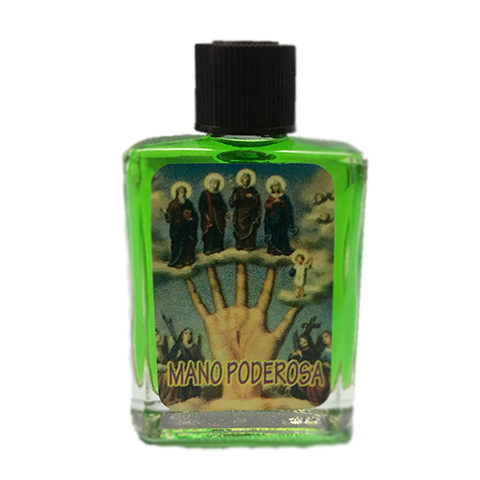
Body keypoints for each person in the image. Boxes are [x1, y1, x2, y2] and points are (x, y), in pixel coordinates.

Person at [163, 183, 198, 268]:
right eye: (181, 192)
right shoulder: (173, 204)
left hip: (187, 228)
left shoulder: (188, 203)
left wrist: (191, 219)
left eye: (184, 192)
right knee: (177, 245)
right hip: (177, 228)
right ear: (177, 193)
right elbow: (169, 218)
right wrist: (166, 215)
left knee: (188, 243)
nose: (183, 194)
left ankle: (187, 260)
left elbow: (195, 215)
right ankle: (177, 262)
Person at [168, 328, 204, 403]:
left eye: (190, 334)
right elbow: (170, 359)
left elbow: (200, 359)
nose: (188, 335)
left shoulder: (194, 347)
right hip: (180, 372)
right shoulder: (178, 346)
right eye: (186, 333)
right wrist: (178, 355)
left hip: (192, 371)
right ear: (182, 335)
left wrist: (197, 363)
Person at [229, 170, 262, 251]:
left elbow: (258, 202)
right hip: (240, 214)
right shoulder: (237, 190)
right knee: (239, 229)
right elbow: (232, 204)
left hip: (251, 214)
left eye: (247, 178)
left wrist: (253, 197)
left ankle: (250, 246)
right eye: (244, 178)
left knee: (251, 229)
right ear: (241, 179)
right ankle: (240, 245)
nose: (246, 180)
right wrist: (234, 198)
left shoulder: (253, 190)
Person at [264, 176, 297, 256]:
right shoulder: (271, 197)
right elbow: (267, 206)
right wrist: (273, 203)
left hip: (282, 219)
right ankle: (274, 251)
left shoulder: (284, 197)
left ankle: (284, 249)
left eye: (277, 186)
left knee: (282, 234)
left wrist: (282, 203)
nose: (276, 187)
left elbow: (288, 208)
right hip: (273, 219)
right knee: (274, 235)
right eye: (274, 186)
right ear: (271, 188)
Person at [198, 174, 231, 255]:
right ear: (210, 184)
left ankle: (218, 248)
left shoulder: (218, 194)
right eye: (214, 183)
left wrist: (226, 212)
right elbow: (201, 205)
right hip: (210, 217)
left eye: (217, 184)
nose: (216, 185)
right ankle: (209, 250)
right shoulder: (205, 193)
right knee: (209, 233)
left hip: (219, 217)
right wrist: (205, 214)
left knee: (218, 233)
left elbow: (223, 204)